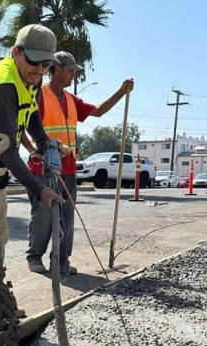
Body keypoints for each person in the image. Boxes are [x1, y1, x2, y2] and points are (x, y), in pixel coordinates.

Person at [0, 24, 64, 338]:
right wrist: (39, 189)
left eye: (46, 65)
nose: (40, 71)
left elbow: (30, 113)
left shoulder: (28, 77)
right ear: (15, 53)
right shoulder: (1, 85)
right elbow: (7, 153)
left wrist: (46, 144)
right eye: (34, 63)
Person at [22, 51, 134, 275]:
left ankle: (61, 261)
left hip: (69, 167)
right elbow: (21, 125)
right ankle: (35, 257)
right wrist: (33, 151)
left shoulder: (72, 100)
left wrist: (121, 92)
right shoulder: (39, 95)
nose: (74, 75)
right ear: (57, 69)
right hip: (43, 167)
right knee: (43, 215)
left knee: (66, 217)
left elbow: (99, 112)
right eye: (71, 70)